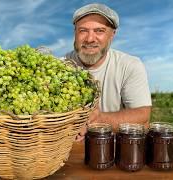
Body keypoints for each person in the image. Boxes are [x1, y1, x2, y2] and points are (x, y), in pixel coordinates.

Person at [64, 3, 152, 141]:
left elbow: (142, 117)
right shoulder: (59, 67)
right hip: (64, 151)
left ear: (112, 35)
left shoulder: (130, 65)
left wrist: (98, 119)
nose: (90, 39)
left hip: (114, 152)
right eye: (83, 30)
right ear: (75, 33)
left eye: (99, 31)